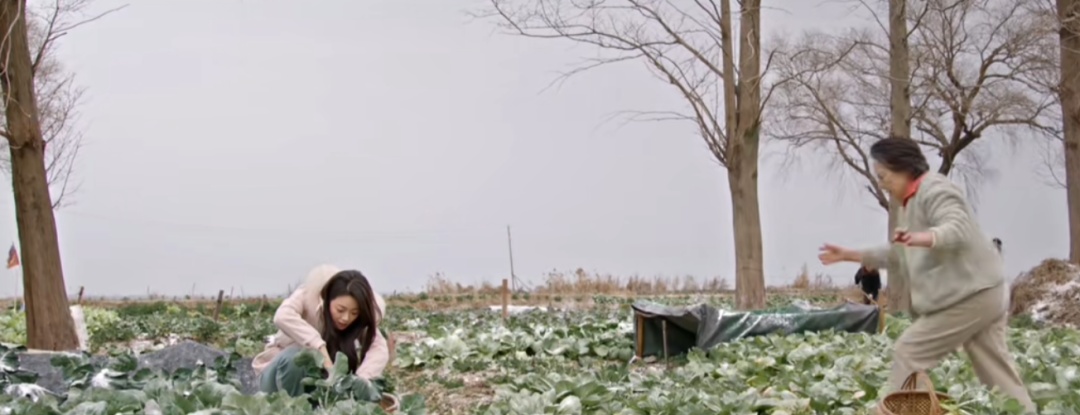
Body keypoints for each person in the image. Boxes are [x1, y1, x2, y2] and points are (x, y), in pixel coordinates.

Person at [817, 137, 1036, 413]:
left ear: (903, 167)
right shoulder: (912, 204)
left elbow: (958, 228)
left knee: (910, 352)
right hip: (986, 290)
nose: (881, 184)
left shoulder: (935, 189)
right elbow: (900, 255)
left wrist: (924, 237)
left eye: (883, 176)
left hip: (971, 294)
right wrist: (851, 255)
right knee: (997, 372)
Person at [252, 265, 389, 397]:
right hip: (275, 380)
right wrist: (318, 346)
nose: (346, 318)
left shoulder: (359, 322)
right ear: (327, 299)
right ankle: (294, 407)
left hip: (314, 385)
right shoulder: (308, 295)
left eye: (354, 313)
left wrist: (361, 380)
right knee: (295, 357)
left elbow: (379, 348)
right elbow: (282, 316)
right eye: (340, 310)